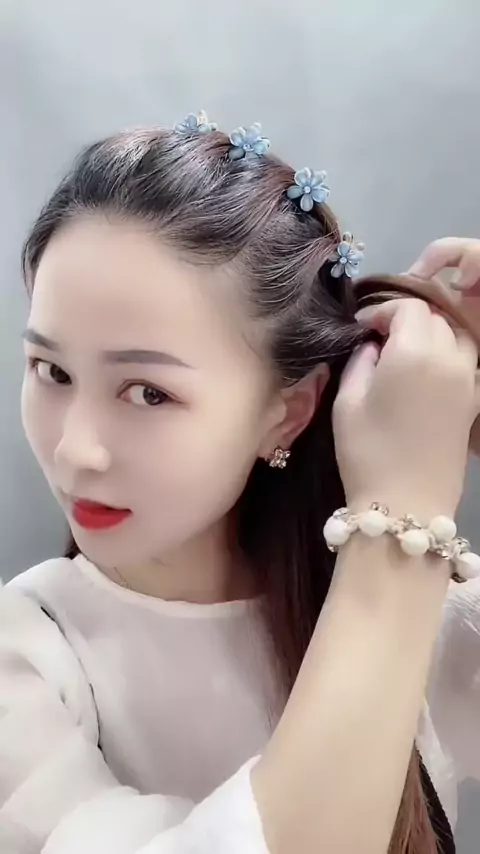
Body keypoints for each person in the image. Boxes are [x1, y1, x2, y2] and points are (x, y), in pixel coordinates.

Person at [1, 112, 480, 854]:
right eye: (51, 371)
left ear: (287, 412)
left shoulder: (428, 611)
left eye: (147, 392)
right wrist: (400, 523)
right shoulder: (26, 656)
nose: (75, 450)